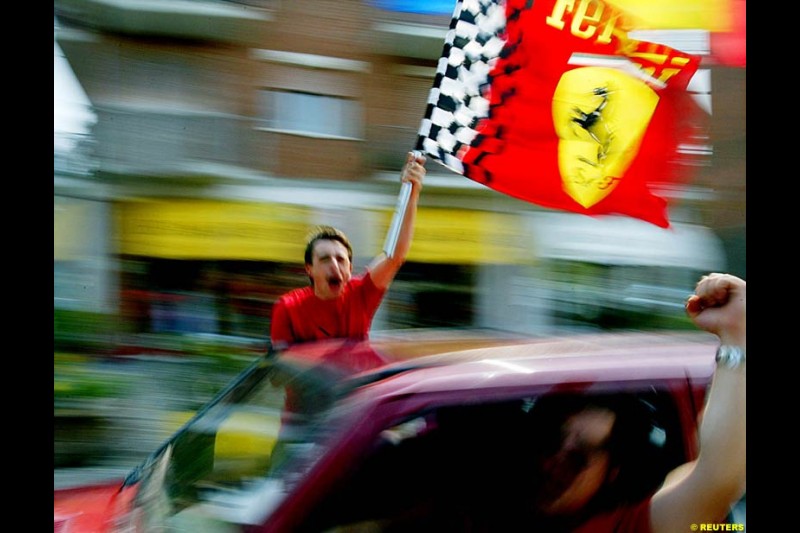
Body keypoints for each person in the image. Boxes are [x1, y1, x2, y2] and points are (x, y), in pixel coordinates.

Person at [513, 272, 746, 532]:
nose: (554, 464)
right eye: (550, 438)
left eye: (577, 457)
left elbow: (718, 478)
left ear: (610, 473)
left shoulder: (621, 527)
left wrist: (735, 332)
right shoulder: (472, 506)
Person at [270, 151, 426, 350]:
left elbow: (394, 256)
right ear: (309, 268)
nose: (335, 265)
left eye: (341, 259)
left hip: (359, 382)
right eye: (325, 259)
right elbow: (280, 369)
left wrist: (412, 191)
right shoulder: (288, 308)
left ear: (350, 268)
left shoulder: (361, 294)